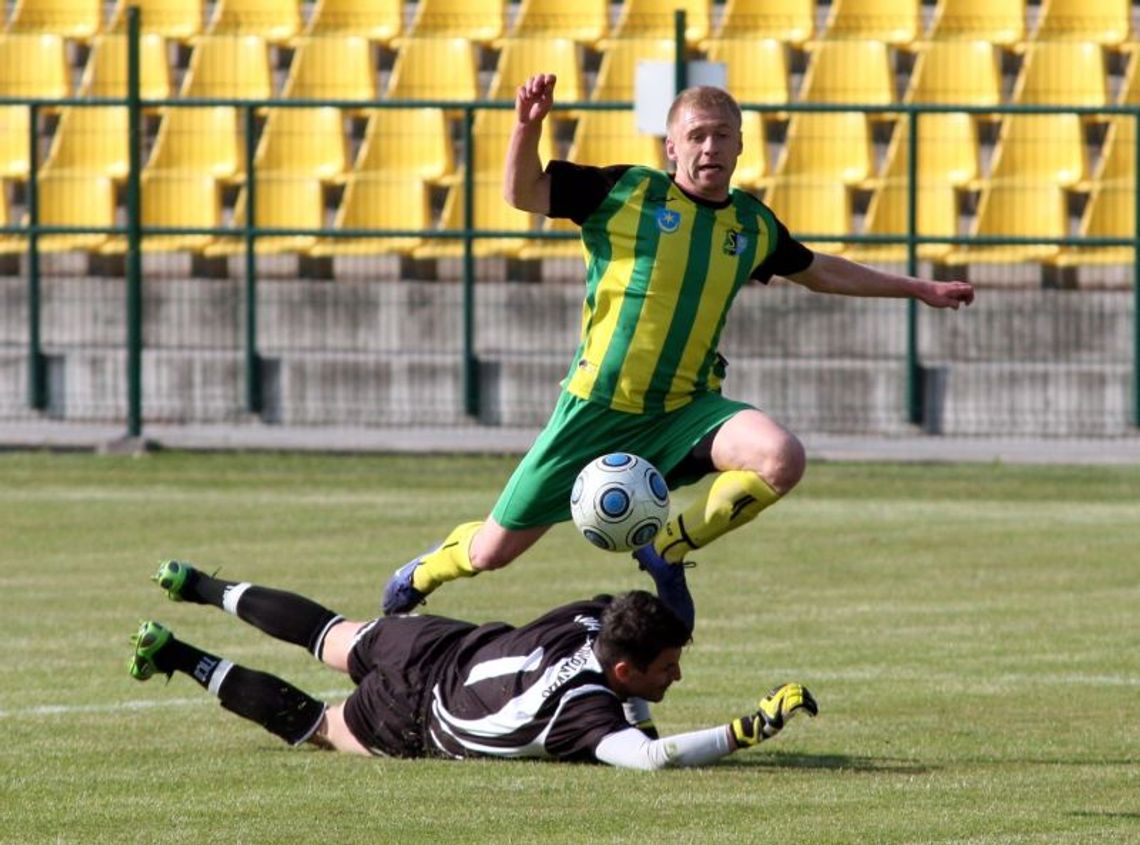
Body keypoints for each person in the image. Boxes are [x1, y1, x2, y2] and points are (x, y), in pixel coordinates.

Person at [381, 74, 976, 616]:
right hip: (596, 407)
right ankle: (427, 569)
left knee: (781, 459)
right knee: (491, 552)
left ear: (741, 146)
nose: (709, 147)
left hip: (685, 408)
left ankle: (667, 549)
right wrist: (527, 125)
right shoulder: (623, 194)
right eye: (696, 136)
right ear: (672, 147)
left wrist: (916, 287)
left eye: (722, 136)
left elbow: (819, 270)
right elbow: (524, 193)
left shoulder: (751, 224)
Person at [129, 559, 817, 770]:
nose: (677, 676)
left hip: (436, 644)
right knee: (316, 722)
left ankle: (199, 586)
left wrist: (663, 568)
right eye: (667, 667)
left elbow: (647, 633)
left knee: (325, 629)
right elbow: (655, 758)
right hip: (418, 717)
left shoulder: (598, 616)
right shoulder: (584, 713)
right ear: (622, 671)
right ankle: (180, 655)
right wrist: (746, 729)